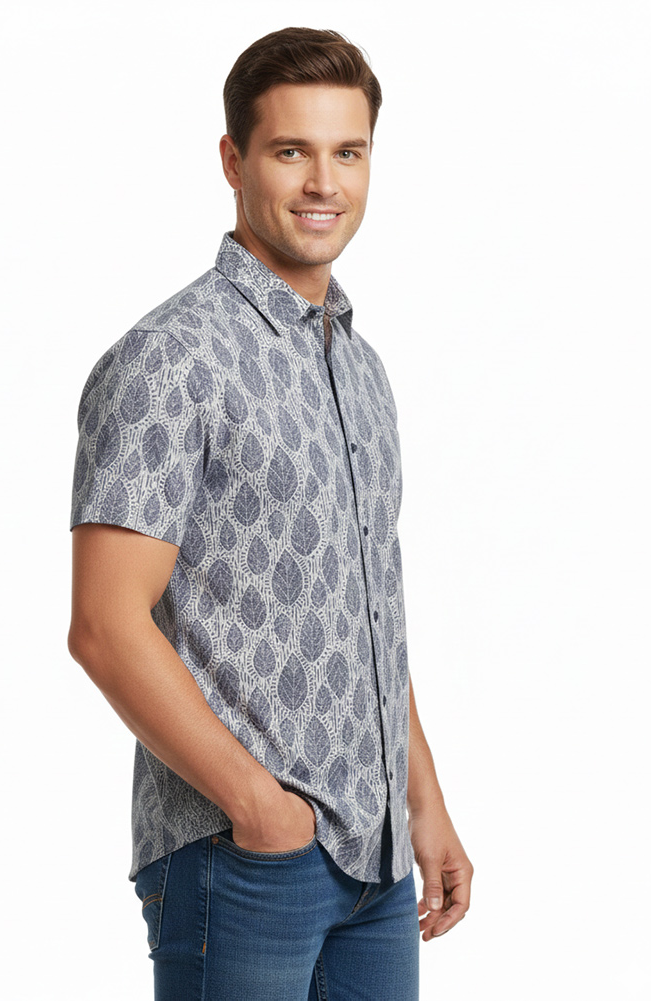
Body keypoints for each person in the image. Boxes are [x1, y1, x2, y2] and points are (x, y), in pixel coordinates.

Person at [67, 26, 473, 1000]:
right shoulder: (171, 359)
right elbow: (104, 624)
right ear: (233, 160)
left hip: (377, 862)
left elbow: (365, 609)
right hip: (243, 856)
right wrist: (258, 806)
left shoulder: (360, 367)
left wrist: (423, 801)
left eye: (348, 152)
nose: (323, 183)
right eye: (292, 150)